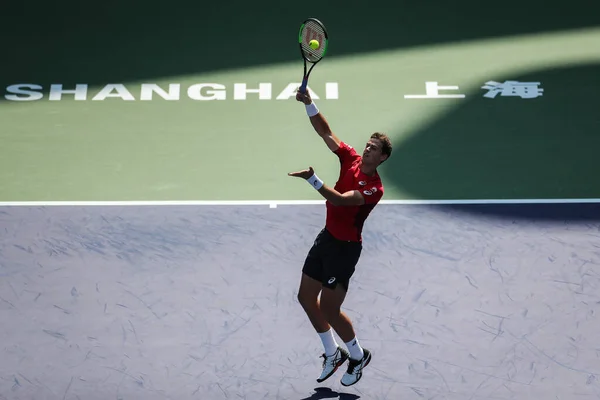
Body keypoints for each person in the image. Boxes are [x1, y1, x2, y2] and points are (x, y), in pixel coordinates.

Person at [288, 88, 392, 386]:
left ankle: (358, 355)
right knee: (306, 298)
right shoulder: (350, 159)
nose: (367, 149)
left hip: (345, 250)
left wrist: (313, 179)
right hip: (327, 238)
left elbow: (341, 200)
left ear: (382, 158)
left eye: (374, 148)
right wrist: (310, 104)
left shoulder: (374, 188)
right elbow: (326, 132)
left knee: (329, 309)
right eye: (368, 145)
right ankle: (332, 353)